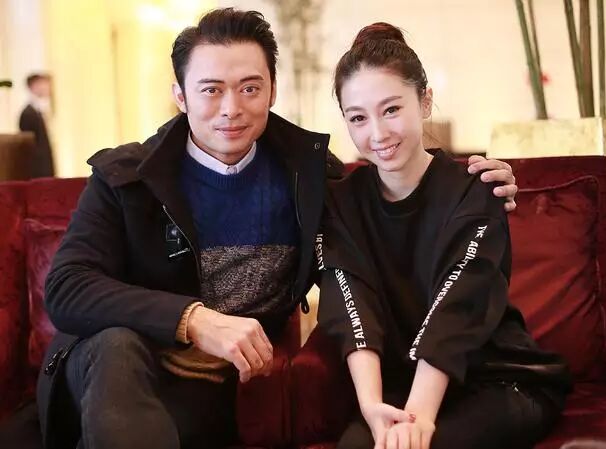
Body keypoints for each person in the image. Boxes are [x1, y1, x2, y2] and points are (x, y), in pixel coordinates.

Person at [35, 9, 518, 449]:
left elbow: (392, 193)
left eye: (250, 88)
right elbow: (66, 287)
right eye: (211, 90)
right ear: (180, 96)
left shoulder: (309, 177)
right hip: (111, 373)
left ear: (272, 91)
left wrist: (481, 182)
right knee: (117, 347)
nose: (231, 108)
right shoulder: (127, 178)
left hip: (211, 391)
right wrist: (194, 320)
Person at [316, 23, 571, 449]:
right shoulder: (340, 202)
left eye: (391, 110)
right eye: (358, 117)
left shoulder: (477, 188)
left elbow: (459, 304)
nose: (377, 134)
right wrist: (372, 405)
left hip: (499, 379)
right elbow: (351, 303)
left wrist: (419, 418)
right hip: (402, 384)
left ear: (425, 101)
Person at [19, 73, 55, 178]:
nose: (48, 88)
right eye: (44, 84)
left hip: (44, 169)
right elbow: (30, 148)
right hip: (38, 171)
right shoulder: (28, 114)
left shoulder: (38, 111)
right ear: (34, 86)